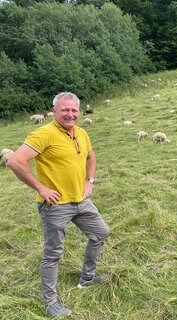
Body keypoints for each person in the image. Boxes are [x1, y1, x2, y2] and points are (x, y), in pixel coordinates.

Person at [7, 92, 109, 318]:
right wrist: (41, 188)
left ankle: (87, 278)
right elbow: (15, 161)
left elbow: (90, 157)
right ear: (54, 111)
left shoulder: (81, 133)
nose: (70, 114)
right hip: (55, 206)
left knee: (100, 233)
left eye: (74, 110)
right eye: (65, 110)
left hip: (81, 200)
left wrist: (89, 181)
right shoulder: (43, 134)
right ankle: (50, 302)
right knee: (53, 253)